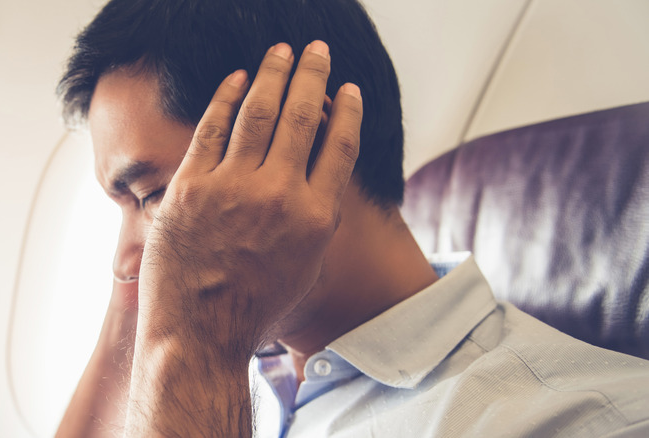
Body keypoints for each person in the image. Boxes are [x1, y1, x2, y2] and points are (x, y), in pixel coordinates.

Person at [54, 0, 649, 436]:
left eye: (155, 195)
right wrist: (138, 311)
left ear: (304, 134)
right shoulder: (254, 364)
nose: (122, 258)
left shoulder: (576, 418)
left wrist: (196, 344)